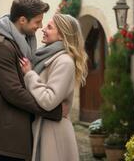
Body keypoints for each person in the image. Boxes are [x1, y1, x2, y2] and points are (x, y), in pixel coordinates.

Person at [0, 0, 65, 161]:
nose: (40, 26)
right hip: (11, 133)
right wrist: (52, 110)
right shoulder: (2, 47)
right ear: (22, 20)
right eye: (37, 21)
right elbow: (14, 92)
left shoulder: (22, 43)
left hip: (23, 128)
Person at [19, 13, 88, 161]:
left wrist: (29, 74)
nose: (43, 29)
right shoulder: (46, 56)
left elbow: (49, 100)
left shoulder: (64, 61)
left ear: (62, 36)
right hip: (44, 127)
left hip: (54, 134)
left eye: (49, 27)